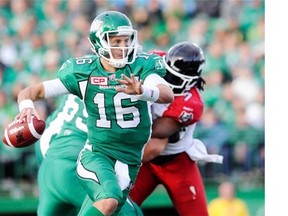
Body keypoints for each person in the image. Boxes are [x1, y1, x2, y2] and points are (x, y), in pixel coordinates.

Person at [16, 10, 174, 216]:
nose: (122, 47)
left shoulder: (141, 66)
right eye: (116, 42)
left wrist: (143, 91)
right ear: (99, 43)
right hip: (98, 153)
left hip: (129, 160)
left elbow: (167, 94)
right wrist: (26, 106)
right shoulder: (83, 72)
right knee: (110, 202)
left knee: (109, 207)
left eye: (126, 41)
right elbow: (30, 91)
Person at [129, 42, 223, 216]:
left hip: (177, 162)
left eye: (173, 78)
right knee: (115, 206)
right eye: (165, 73)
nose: (165, 79)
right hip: (146, 165)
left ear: (189, 80)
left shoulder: (192, 103)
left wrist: (136, 102)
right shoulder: (156, 58)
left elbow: (157, 132)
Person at [35, 94, 143, 216]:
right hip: (78, 165)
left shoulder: (75, 85)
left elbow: (42, 142)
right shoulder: (119, 91)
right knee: (130, 212)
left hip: (49, 168)